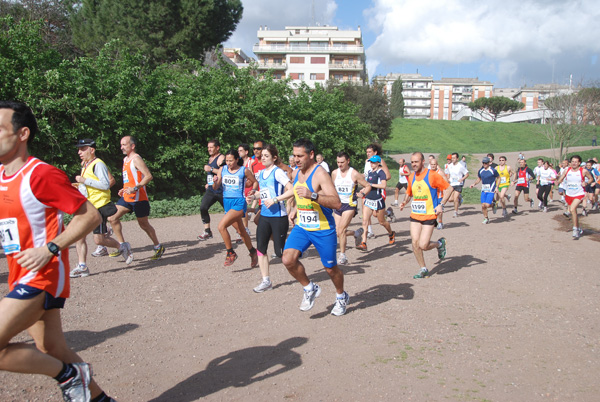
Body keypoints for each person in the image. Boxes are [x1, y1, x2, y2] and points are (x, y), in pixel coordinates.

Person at [0, 101, 117, 402]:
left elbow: (90, 215)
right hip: (18, 273)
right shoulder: (2, 175)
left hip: (42, 275)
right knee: (52, 349)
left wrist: (51, 248)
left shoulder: (40, 174)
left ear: (22, 133)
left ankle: (68, 375)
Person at [282, 138, 349, 316]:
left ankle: (341, 296)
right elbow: (298, 193)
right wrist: (295, 209)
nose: (296, 159)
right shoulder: (297, 172)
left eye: (300, 156)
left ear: (311, 155)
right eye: (294, 155)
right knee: (288, 259)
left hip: (323, 228)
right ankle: (309, 288)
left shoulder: (320, 174)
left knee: (330, 269)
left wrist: (313, 196)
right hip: (303, 227)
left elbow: (336, 202)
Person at [71, 139, 123, 278]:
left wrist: (84, 181)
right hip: (86, 206)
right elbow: (89, 186)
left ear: (91, 150)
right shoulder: (85, 165)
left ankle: (121, 247)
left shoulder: (98, 164)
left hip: (98, 207)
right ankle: (82, 266)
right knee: (79, 236)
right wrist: (79, 186)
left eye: (82, 149)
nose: (79, 152)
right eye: (79, 149)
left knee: (99, 240)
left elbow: (106, 184)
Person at [108, 136, 165, 261]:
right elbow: (131, 178)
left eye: (124, 144)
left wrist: (135, 188)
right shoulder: (125, 159)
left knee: (144, 224)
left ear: (132, 146)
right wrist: (124, 188)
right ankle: (123, 247)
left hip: (139, 198)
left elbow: (148, 176)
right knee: (112, 218)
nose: (121, 147)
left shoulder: (136, 159)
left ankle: (158, 246)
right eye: (121, 145)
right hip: (127, 197)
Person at [248, 145, 295, 292]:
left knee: (280, 253)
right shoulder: (261, 173)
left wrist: (276, 200)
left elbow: (292, 189)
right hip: (265, 216)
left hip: (278, 216)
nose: (263, 158)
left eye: (266, 156)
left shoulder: (278, 172)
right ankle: (266, 281)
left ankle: (297, 249)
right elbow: (264, 194)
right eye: (262, 155)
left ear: (274, 158)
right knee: (261, 249)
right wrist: (254, 196)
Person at [400, 152, 454, 279]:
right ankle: (423, 268)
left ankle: (439, 244)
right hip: (415, 215)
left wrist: (441, 204)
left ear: (422, 162)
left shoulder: (432, 175)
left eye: (416, 162)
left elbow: (449, 189)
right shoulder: (412, 176)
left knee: (423, 245)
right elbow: (409, 193)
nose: (413, 164)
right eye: (412, 162)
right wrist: (404, 202)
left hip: (429, 215)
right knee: (414, 243)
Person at [213, 149, 259, 267]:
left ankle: (230, 253)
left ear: (237, 159)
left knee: (221, 226)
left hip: (239, 203)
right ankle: (253, 252)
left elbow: (255, 182)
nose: (228, 163)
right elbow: (216, 187)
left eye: (231, 160)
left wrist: (253, 191)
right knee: (241, 231)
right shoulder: (222, 170)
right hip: (227, 203)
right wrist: (215, 182)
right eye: (227, 160)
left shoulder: (243, 170)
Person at [331, 151, 371, 265]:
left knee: (341, 230)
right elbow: (331, 188)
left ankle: (343, 256)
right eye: (338, 162)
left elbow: (368, 185)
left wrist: (363, 194)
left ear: (348, 161)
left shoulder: (354, 174)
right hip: (338, 205)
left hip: (349, 205)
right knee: (338, 232)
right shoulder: (334, 173)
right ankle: (356, 233)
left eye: (342, 162)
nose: (340, 165)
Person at [356, 155, 395, 252]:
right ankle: (364, 243)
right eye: (370, 162)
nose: (371, 164)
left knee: (382, 222)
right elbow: (367, 186)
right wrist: (363, 191)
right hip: (368, 200)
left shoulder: (381, 173)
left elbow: (383, 185)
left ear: (378, 163)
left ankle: (391, 233)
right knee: (365, 221)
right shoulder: (369, 172)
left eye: (373, 162)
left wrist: (371, 185)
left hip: (378, 201)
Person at [556, 155, 594, 239]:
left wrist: (586, 183)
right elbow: (561, 178)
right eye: (572, 161)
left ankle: (575, 229)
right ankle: (578, 227)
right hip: (569, 194)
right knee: (574, 212)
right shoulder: (567, 170)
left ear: (579, 163)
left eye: (576, 162)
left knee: (572, 209)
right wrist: (557, 182)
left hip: (579, 193)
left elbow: (591, 179)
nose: (574, 163)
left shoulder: (583, 171)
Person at [198, 139, 225, 240]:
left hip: (221, 190)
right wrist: (208, 183)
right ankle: (207, 231)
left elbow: (224, 172)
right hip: (211, 189)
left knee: (230, 211)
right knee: (203, 207)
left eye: (211, 147)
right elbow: (211, 175)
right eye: (208, 147)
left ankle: (240, 232)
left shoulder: (221, 158)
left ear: (217, 148)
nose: (209, 149)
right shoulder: (210, 158)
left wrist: (211, 169)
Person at [363, 144, 391, 238]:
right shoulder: (367, 162)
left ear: (375, 152)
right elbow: (366, 175)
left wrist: (377, 180)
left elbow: (388, 176)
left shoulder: (380, 161)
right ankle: (369, 231)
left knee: (376, 215)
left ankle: (388, 212)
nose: (368, 154)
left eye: (370, 152)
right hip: (368, 190)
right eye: (367, 152)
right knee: (365, 212)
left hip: (378, 191)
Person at [470, 156, 499, 224]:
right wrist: (474, 184)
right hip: (483, 190)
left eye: (486, 163)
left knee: (487, 205)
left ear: (489, 163)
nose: (484, 164)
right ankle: (486, 218)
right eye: (483, 163)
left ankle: (493, 204)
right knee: (483, 205)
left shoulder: (493, 170)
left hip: (491, 189)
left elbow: (498, 178)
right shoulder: (481, 171)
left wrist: (497, 187)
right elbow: (479, 179)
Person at [446, 152, 469, 217]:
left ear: (457, 158)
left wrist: (462, 179)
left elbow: (467, 174)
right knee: (450, 199)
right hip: (452, 184)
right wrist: (448, 179)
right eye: (452, 158)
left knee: (455, 198)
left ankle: (455, 212)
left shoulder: (460, 166)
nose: (452, 159)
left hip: (458, 184)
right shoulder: (449, 166)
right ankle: (460, 198)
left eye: (454, 158)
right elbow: (448, 174)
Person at [429, 159, 449, 229]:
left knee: (439, 209)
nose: (433, 166)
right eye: (432, 164)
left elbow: (446, 182)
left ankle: (440, 222)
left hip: (439, 194)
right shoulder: (429, 172)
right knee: (432, 209)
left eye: (434, 164)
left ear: (437, 165)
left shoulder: (440, 172)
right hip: (432, 194)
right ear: (430, 165)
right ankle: (434, 222)